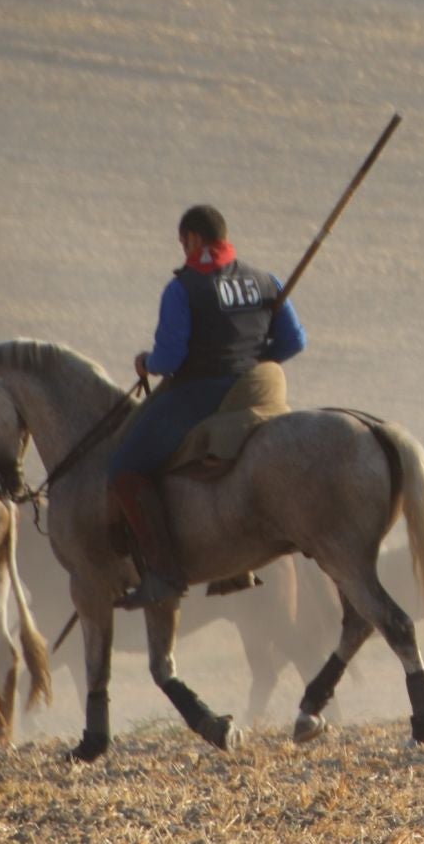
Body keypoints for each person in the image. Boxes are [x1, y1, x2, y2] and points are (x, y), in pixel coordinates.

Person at [108, 205, 306, 609]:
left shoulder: (183, 289)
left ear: (195, 239)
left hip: (200, 393)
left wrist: (148, 362)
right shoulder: (266, 281)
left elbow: (171, 358)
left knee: (124, 468)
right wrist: (252, 354)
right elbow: (294, 341)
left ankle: (163, 573)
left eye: (184, 242)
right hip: (256, 392)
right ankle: (235, 564)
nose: (183, 251)